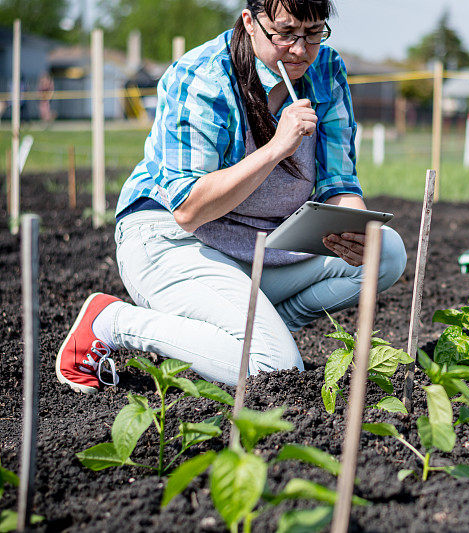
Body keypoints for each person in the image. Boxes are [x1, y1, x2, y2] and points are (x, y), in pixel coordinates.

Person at [56, 0, 406, 394]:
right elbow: (189, 209)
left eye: (313, 33)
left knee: (384, 250)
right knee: (275, 367)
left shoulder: (325, 67)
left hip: (259, 245)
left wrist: (351, 231)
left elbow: (339, 181)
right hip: (173, 240)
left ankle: (260, 331)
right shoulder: (202, 76)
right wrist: (276, 147)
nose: (300, 49)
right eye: (285, 33)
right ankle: (112, 321)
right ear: (250, 21)